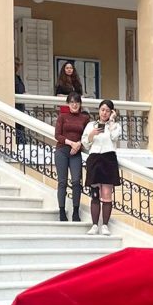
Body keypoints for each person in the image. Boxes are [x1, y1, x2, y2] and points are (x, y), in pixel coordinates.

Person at [81, 99, 122, 236]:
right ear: (99, 110)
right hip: (94, 158)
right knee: (95, 194)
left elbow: (115, 138)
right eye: (102, 110)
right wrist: (92, 134)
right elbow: (85, 144)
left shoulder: (115, 126)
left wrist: (111, 122)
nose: (104, 113)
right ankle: (94, 225)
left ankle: (104, 225)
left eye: (108, 111)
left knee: (106, 194)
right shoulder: (91, 125)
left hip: (108, 158)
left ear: (111, 112)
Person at [54, 92, 88, 222]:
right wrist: (71, 143)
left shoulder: (84, 118)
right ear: (68, 104)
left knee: (76, 182)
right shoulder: (62, 116)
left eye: (77, 102)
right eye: (72, 102)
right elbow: (57, 135)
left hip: (76, 153)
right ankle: (62, 211)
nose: (74, 105)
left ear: (80, 104)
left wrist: (78, 144)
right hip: (62, 150)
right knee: (62, 181)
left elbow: (86, 136)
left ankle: (75, 212)